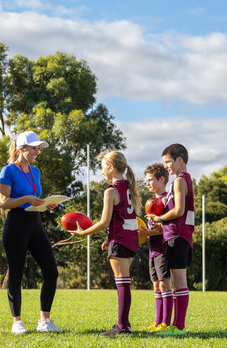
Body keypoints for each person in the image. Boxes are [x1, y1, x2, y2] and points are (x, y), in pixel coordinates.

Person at [72, 150, 142, 336]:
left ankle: (122, 326)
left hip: (120, 241)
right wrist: (109, 238)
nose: (102, 172)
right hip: (130, 240)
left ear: (111, 167)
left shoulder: (111, 191)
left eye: (103, 168)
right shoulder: (129, 187)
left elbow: (104, 222)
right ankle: (124, 324)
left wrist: (83, 232)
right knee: (125, 282)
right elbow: (124, 219)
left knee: (122, 283)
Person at [0, 131, 61, 334]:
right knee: (16, 274)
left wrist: (46, 204)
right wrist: (26, 198)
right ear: (21, 149)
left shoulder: (36, 172)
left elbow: (35, 197)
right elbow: (4, 203)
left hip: (36, 225)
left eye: (38, 148)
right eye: (34, 148)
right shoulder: (7, 171)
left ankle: (45, 321)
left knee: (51, 271)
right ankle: (17, 322)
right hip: (16, 226)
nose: (37, 151)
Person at [147, 143, 194, 336]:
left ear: (179, 160)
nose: (166, 166)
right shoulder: (186, 179)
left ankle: (178, 327)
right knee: (176, 282)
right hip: (178, 234)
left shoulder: (179, 180)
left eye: (168, 162)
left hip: (177, 235)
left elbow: (179, 210)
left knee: (179, 282)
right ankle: (175, 325)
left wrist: (159, 218)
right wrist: (163, 224)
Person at [137, 163, 173, 333]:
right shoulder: (150, 201)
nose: (148, 183)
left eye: (151, 180)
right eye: (147, 181)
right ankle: (157, 322)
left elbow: (164, 228)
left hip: (164, 248)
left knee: (165, 284)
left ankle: (166, 323)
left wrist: (148, 231)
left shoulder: (166, 199)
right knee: (156, 284)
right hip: (153, 249)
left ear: (162, 179)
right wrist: (144, 233)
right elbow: (153, 229)